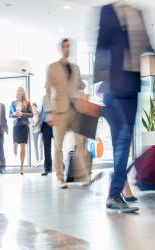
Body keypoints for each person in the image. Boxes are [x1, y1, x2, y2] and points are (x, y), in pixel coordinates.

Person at [94, 0, 152, 211]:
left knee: (125, 142)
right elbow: (101, 45)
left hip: (132, 87)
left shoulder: (138, 12)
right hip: (114, 87)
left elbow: (146, 47)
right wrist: (98, 84)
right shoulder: (108, 10)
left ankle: (117, 188)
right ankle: (114, 193)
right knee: (123, 137)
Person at [45, 38, 88, 188]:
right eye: (64, 46)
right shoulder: (52, 67)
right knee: (58, 146)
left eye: (68, 46)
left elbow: (80, 84)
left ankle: (84, 176)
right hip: (60, 111)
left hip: (75, 110)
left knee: (80, 142)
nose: (66, 49)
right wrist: (50, 112)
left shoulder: (75, 68)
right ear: (60, 48)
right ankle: (60, 178)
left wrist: (83, 92)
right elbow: (48, 89)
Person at [9, 87, 33, 174]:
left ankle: (21, 167)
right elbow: (10, 115)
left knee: (23, 146)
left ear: (23, 93)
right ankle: (15, 150)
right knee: (15, 143)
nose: (19, 92)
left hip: (24, 126)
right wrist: (14, 114)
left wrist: (22, 114)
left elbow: (31, 114)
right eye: (18, 91)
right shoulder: (13, 103)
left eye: (21, 91)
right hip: (16, 125)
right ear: (16, 93)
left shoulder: (27, 102)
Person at [38, 96, 53, 176]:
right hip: (45, 125)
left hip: (56, 124)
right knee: (47, 148)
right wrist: (39, 125)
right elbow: (42, 112)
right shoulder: (44, 97)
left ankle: (62, 167)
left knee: (59, 147)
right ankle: (47, 168)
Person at [31, 103, 43, 167]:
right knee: (35, 146)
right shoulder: (31, 115)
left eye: (35, 107)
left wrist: (37, 124)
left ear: (36, 107)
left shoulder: (39, 113)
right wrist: (32, 125)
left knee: (40, 145)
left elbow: (41, 121)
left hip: (40, 130)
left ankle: (41, 160)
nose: (34, 109)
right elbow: (30, 122)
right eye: (33, 108)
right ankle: (37, 160)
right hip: (34, 131)